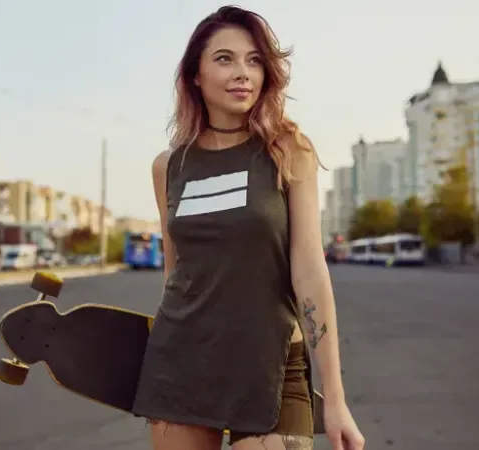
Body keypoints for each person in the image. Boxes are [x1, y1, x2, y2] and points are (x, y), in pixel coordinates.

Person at [132, 6, 365, 450]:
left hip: (272, 365)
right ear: (195, 75)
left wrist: (334, 400)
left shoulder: (287, 150)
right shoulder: (169, 167)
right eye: (225, 59)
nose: (243, 73)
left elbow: (311, 272)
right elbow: (175, 272)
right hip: (182, 364)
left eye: (254, 60)